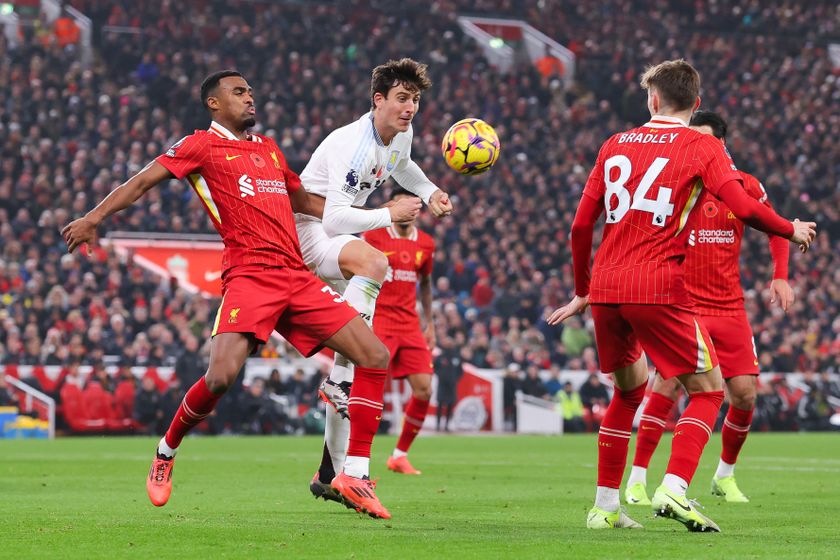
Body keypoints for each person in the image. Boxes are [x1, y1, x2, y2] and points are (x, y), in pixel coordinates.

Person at [61, 70, 395, 519]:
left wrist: (377, 215)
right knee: (220, 379)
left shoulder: (269, 149)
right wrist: (93, 217)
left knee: (374, 355)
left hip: (295, 277)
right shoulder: (200, 145)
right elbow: (141, 181)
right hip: (249, 278)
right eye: (239, 93)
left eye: (251, 91)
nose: (249, 98)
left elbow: (307, 203)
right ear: (214, 104)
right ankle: (165, 452)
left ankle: (353, 473)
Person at [548, 59, 815, 531]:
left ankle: (605, 507)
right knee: (710, 391)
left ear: (652, 99)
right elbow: (742, 206)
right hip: (657, 285)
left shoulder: (613, 144)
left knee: (626, 393)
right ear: (696, 103)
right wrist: (789, 229)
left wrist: (582, 290)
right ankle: (673, 488)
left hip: (607, 287)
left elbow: (579, 226)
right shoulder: (699, 145)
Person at [296, 59, 453, 501]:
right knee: (375, 263)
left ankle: (330, 473)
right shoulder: (353, 144)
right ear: (378, 99)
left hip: (335, 233)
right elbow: (331, 216)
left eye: (416, 100)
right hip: (307, 230)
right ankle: (340, 377)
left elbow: (404, 167)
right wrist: (389, 213)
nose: (410, 108)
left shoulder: (399, 135)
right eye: (402, 98)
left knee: (356, 356)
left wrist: (428, 192)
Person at [623, 111, 793, 506]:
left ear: (720, 145)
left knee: (745, 395)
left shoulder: (744, 186)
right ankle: (637, 479)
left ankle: (724, 476)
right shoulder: (676, 183)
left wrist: (780, 275)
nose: (694, 146)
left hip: (730, 308)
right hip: (684, 306)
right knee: (666, 384)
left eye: (703, 141)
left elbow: (776, 226)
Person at [363, 188, 436, 475]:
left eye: (410, 203)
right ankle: (356, 457)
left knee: (424, 389)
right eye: (399, 203)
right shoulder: (374, 236)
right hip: (380, 321)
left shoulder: (427, 244)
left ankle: (399, 455)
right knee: (369, 390)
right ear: (392, 206)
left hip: (409, 325)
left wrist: (429, 322)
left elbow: (427, 283)